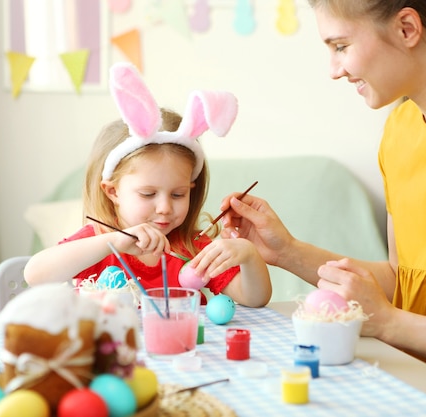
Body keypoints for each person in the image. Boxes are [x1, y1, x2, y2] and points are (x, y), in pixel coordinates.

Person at [201, 1, 426, 414]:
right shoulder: (400, 131)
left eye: (340, 45)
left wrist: (388, 323)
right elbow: (405, 280)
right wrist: (286, 252)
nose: (333, 69)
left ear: (406, 28)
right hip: (413, 387)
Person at [24, 63, 271, 308]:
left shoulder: (191, 246)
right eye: (148, 193)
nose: (164, 207)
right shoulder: (99, 241)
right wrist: (114, 243)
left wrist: (249, 255)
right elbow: (34, 275)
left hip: (183, 345)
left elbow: (255, 298)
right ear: (113, 191)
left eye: (178, 194)